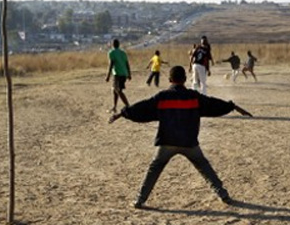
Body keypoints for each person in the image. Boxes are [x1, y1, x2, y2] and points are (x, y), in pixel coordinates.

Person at [109, 65, 253, 209]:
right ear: (184, 79)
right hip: (189, 142)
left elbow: (142, 107)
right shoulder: (194, 97)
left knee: (154, 169)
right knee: (204, 167)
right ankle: (223, 195)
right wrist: (232, 106)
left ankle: (139, 201)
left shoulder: (162, 97)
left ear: (170, 79)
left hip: (167, 142)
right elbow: (213, 103)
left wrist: (122, 113)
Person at [105, 39, 131, 113]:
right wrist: (129, 74)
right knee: (115, 90)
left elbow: (111, 64)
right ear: (119, 44)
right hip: (124, 74)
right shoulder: (123, 53)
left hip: (117, 74)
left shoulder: (111, 52)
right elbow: (127, 64)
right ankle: (114, 107)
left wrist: (108, 76)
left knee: (118, 90)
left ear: (112, 44)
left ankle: (128, 106)